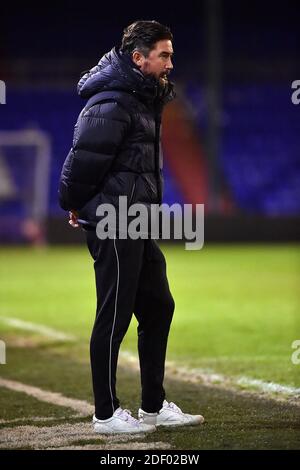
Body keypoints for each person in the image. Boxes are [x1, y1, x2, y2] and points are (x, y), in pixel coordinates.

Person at [58, 20, 204, 434]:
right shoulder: (113, 101)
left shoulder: (142, 98)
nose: (171, 63)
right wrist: (73, 202)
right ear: (138, 58)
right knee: (114, 315)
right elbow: (84, 158)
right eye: (164, 55)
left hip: (136, 219)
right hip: (113, 220)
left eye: (171, 54)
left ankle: (153, 407)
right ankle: (105, 414)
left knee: (159, 307)